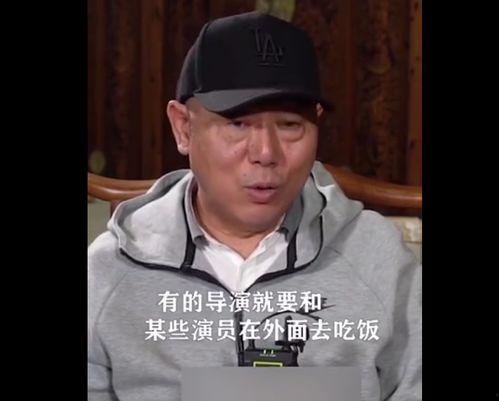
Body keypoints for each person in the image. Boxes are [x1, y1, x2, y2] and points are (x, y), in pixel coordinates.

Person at [88, 11, 421, 401]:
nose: (266, 153)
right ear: (183, 127)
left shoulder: (377, 258)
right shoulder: (110, 271)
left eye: (289, 125)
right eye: (238, 124)